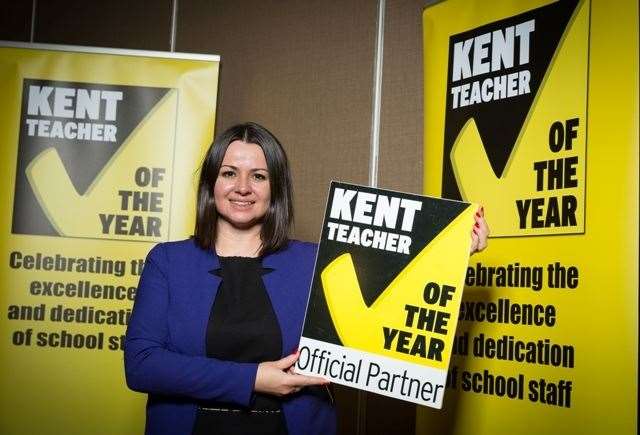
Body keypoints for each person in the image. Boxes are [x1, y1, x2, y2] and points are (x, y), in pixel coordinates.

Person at [124, 122, 489, 435]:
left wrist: (454, 252)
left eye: (259, 176)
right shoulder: (168, 261)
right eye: (229, 173)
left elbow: (386, 320)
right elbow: (142, 366)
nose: (243, 187)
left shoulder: (313, 261)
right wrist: (253, 379)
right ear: (211, 183)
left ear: (275, 189)